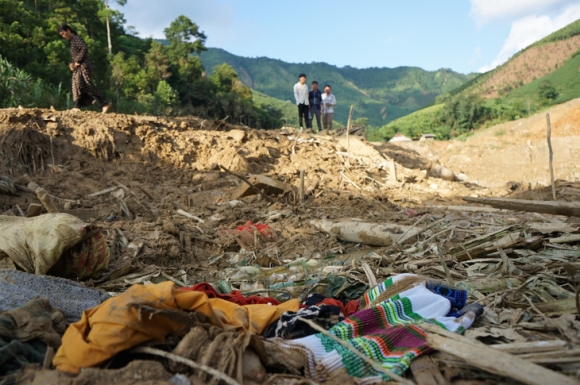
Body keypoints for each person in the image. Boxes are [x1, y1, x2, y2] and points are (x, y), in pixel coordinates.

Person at [58, 24, 111, 113]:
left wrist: (78, 61)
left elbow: (84, 48)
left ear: (68, 30)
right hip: (78, 67)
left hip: (83, 66)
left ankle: (103, 103)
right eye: (62, 35)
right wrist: (71, 64)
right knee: (78, 85)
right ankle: (79, 106)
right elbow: (74, 56)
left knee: (85, 84)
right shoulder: (72, 42)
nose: (63, 36)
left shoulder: (76, 38)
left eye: (63, 33)